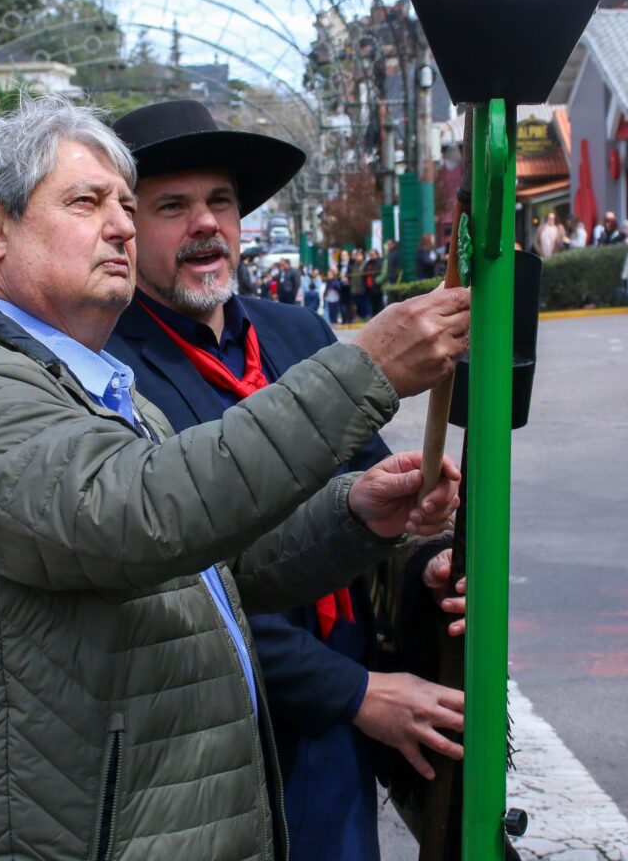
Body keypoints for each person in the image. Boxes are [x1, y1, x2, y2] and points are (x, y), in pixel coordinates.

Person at [0, 95, 469, 861]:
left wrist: (356, 513)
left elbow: (211, 570)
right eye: (88, 202)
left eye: (125, 204)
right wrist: (364, 370)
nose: (120, 225)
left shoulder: (91, 384)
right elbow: (138, 519)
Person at [108, 99, 468, 861]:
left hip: (343, 729)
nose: (205, 224)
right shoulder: (111, 372)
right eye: (173, 206)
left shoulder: (298, 332)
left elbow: (374, 500)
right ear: (126, 229)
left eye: (221, 202)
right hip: (216, 742)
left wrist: (426, 558)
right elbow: (174, 590)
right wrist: (353, 694)